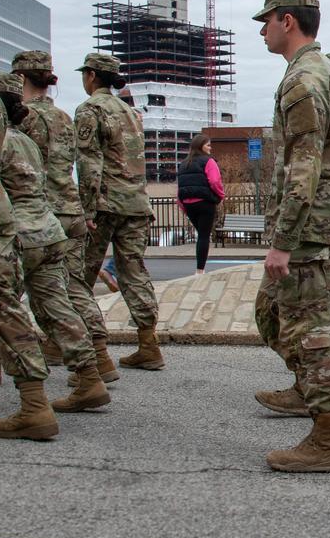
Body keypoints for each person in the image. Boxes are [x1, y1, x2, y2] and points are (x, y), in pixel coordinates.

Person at [252, 0, 330, 472]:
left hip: (309, 228)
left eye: (266, 21)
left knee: (309, 330)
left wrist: (284, 241)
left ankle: (327, 439)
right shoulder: (320, 72)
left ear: (287, 21)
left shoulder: (303, 80)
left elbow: (304, 166)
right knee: (272, 314)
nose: (262, 31)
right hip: (317, 223)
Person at [0, 73, 110, 413]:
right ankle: (89, 375)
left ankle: (25, 395)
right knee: (57, 307)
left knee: (1, 307)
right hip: (49, 230)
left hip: (17, 233)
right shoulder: (24, 140)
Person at [9, 50, 118, 383]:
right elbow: (84, 165)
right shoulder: (64, 117)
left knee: (10, 289)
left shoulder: (22, 118)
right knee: (71, 287)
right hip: (70, 209)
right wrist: (86, 208)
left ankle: (2, 361)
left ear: (21, 78)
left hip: (39, 213)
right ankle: (98, 356)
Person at [74, 52, 165, 371]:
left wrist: (86, 208)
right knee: (134, 272)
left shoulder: (90, 109)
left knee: (79, 276)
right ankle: (148, 343)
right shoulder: (131, 112)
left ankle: (92, 351)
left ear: (91, 76)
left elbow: (88, 162)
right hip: (136, 203)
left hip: (104, 204)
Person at [0, 75, 59, 440]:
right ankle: (34, 402)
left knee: (4, 305)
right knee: (4, 305)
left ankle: (34, 405)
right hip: (3, 218)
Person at [176, 134, 226, 274]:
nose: (210, 147)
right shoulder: (208, 161)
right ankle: (200, 271)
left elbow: (180, 187)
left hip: (188, 204)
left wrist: (183, 206)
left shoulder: (184, 164)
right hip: (205, 202)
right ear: (200, 146)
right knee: (204, 235)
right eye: (208, 145)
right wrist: (221, 196)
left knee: (201, 235)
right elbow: (215, 181)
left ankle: (200, 269)